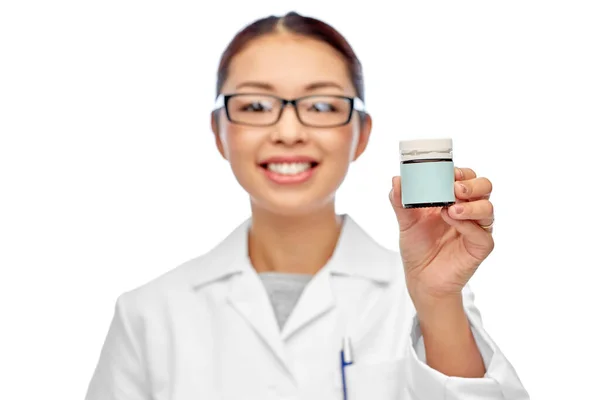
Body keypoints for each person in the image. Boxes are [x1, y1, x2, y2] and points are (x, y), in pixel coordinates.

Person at [84, 11, 529, 400]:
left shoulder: (424, 297)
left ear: (362, 134)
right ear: (219, 131)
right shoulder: (149, 313)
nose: (289, 131)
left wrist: (436, 301)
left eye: (320, 104)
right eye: (257, 104)